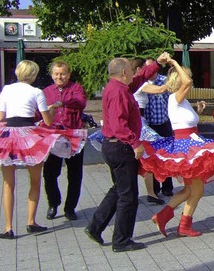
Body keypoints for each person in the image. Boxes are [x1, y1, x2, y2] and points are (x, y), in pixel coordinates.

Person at [0, 60, 86, 239]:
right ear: (33, 75)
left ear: (17, 73)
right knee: (35, 180)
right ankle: (30, 222)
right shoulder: (37, 92)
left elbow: (0, 118)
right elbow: (47, 121)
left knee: (8, 183)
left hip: (8, 134)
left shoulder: (7, 89)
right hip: (29, 134)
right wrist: (51, 111)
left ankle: (8, 227)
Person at [142, 58, 214, 237]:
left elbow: (185, 121)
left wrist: (198, 112)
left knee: (190, 190)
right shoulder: (176, 96)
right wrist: (174, 63)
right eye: (187, 77)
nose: (190, 81)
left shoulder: (181, 100)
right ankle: (181, 224)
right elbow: (187, 82)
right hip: (188, 146)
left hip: (192, 143)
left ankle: (166, 217)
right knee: (197, 191)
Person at [85, 54, 168, 252]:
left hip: (114, 146)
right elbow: (118, 123)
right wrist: (135, 143)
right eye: (131, 70)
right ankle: (121, 240)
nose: (134, 73)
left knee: (119, 189)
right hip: (120, 146)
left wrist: (156, 64)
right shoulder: (119, 92)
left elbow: (140, 80)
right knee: (128, 196)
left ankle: (95, 227)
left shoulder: (118, 87)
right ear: (123, 72)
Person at [42, 61, 87, 221]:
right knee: (49, 173)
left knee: (75, 175)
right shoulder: (46, 91)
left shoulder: (76, 89)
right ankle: (53, 203)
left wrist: (63, 103)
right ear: (52, 75)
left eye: (62, 74)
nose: (59, 77)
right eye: (56, 74)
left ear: (68, 74)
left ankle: (70, 208)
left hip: (73, 135)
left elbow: (81, 102)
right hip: (53, 137)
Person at [143, 58, 175, 198]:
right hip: (149, 125)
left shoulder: (164, 81)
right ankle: (154, 188)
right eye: (147, 68)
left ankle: (167, 186)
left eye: (152, 68)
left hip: (164, 123)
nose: (150, 71)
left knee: (166, 156)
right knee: (152, 158)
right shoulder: (141, 83)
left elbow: (172, 100)